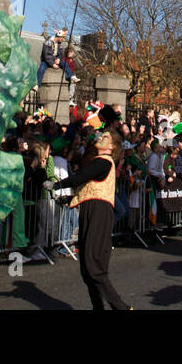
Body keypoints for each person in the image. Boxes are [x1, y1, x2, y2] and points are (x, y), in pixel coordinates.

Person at [47, 130, 130, 310]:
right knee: (86, 269)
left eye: (105, 137)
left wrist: (57, 185)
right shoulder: (97, 163)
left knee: (94, 266)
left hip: (99, 212)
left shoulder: (103, 162)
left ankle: (121, 307)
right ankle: (97, 306)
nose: (100, 137)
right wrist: (68, 199)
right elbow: (86, 188)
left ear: (111, 146)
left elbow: (80, 177)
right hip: (91, 210)